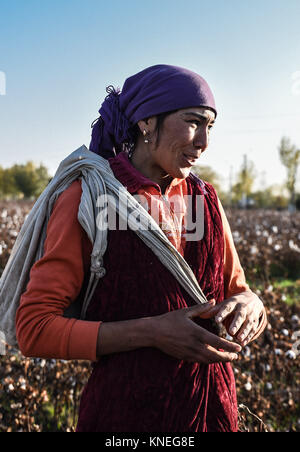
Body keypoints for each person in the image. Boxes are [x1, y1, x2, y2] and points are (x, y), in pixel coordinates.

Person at [15, 64, 267, 432]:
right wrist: (152, 332)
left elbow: (240, 291)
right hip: (125, 418)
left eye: (210, 127)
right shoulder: (88, 197)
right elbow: (35, 328)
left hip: (212, 413)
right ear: (147, 122)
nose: (204, 143)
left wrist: (251, 306)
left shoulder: (206, 200)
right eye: (193, 121)